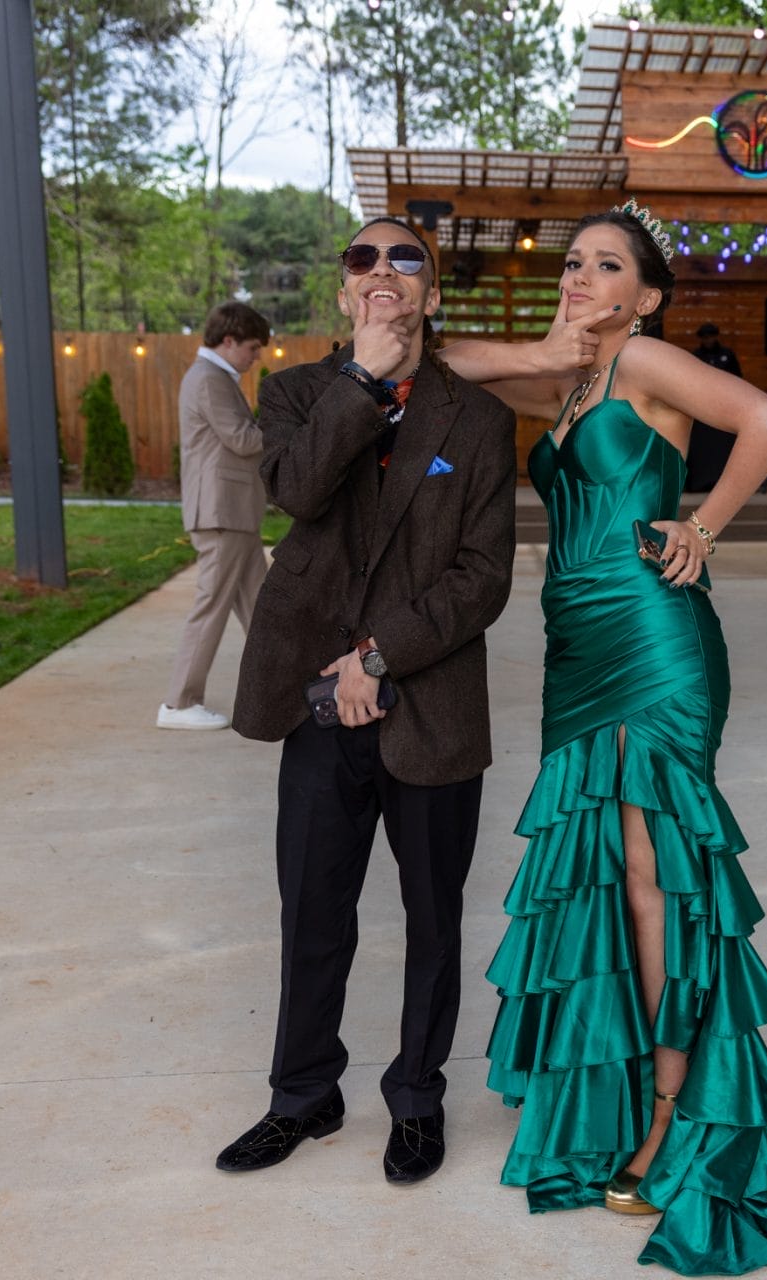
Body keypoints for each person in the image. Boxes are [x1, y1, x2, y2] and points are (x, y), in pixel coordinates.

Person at [442, 199, 767, 1274]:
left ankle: (671, 1110)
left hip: (656, 638)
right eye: (571, 262)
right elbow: (440, 360)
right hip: (576, 653)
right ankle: (622, 1087)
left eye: (604, 265)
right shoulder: (568, 381)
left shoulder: (651, 362)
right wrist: (542, 346)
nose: (578, 276)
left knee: (652, 868)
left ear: (646, 294)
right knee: (604, 876)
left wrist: (703, 527)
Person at [213, 216, 517, 1186]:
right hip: (315, 711)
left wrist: (376, 658)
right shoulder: (301, 392)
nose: (382, 270)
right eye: (363, 259)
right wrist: (365, 381)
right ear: (346, 295)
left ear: (432, 290)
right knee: (313, 910)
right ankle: (302, 1093)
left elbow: (482, 578)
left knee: (433, 918)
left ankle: (417, 1097)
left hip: (426, 705)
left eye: (406, 258)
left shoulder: (478, 421)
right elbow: (299, 493)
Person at [157, 301, 271, 731]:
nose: (255, 356)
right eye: (252, 347)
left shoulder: (216, 376)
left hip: (233, 512)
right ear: (228, 340)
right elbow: (242, 440)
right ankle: (179, 703)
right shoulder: (209, 379)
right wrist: (290, 431)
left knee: (263, 610)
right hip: (221, 512)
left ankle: (284, 689)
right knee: (211, 609)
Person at [683, 323, 741, 491]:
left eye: (711, 336)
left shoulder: (727, 355)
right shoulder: (696, 356)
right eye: (705, 337)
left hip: (725, 408)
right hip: (702, 409)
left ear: (716, 336)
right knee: (702, 446)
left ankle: (724, 483)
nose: (708, 340)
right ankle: (700, 482)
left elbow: (737, 380)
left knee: (723, 446)